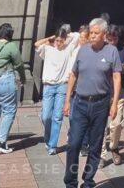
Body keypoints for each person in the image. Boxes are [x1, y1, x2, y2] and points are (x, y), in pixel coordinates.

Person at [63, 17, 122, 188]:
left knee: (95, 146)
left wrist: (114, 102)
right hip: (80, 103)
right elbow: (73, 74)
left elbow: (117, 77)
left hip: (101, 104)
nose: (93, 36)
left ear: (104, 34)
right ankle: (71, 182)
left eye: (97, 33)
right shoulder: (82, 50)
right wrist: (67, 100)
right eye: (91, 33)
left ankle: (88, 181)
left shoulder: (112, 51)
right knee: (74, 143)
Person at [35, 24, 79, 155]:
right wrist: (51, 37)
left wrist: (66, 33)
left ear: (65, 40)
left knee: (57, 117)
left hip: (62, 86)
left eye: (61, 40)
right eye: (57, 41)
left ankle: (52, 145)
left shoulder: (69, 49)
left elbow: (76, 35)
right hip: (48, 85)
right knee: (46, 116)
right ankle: (48, 138)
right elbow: (36, 44)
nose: (59, 43)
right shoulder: (48, 49)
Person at [0, 23, 26, 154]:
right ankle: (1, 143)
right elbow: (19, 64)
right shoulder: (11, 46)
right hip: (5, 80)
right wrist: (23, 78)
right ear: (10, 34)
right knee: (9, 111)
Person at [102, 24, 124, 166]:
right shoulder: (101, 47)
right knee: (101, 126)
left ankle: (114, 147)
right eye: (109, 39)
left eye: (113, 39)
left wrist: (118, 65)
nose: (111, 42)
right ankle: (102, 155)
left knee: (116, 124)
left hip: (119, 92)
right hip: (102, 91)